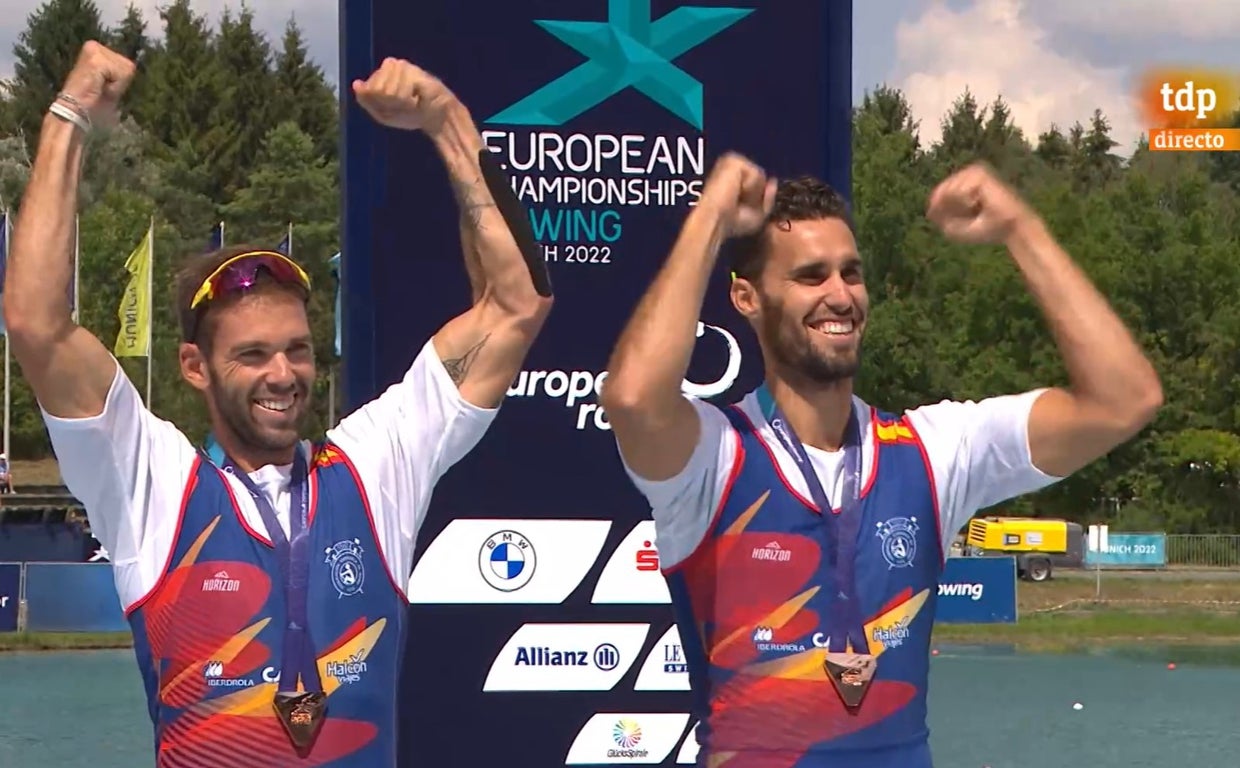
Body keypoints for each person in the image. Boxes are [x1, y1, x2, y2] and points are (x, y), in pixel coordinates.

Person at [3, 42, 551, 767]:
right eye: (253, 354)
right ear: (194, 367)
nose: (284, 373)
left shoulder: (372, 464)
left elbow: (516, 304)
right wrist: (69, 115)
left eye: (296, 348)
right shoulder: (154, 484)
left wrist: (446, 121)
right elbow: (37, 320)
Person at [599, 153, 1161, 768]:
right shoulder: (714, 454)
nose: (840, 295)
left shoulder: (932, 450)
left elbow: (1123, 399)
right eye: (811, 276)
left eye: (852, 273)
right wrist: (710, 218)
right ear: (747, 297)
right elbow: (632, 397)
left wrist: (1019, 229)